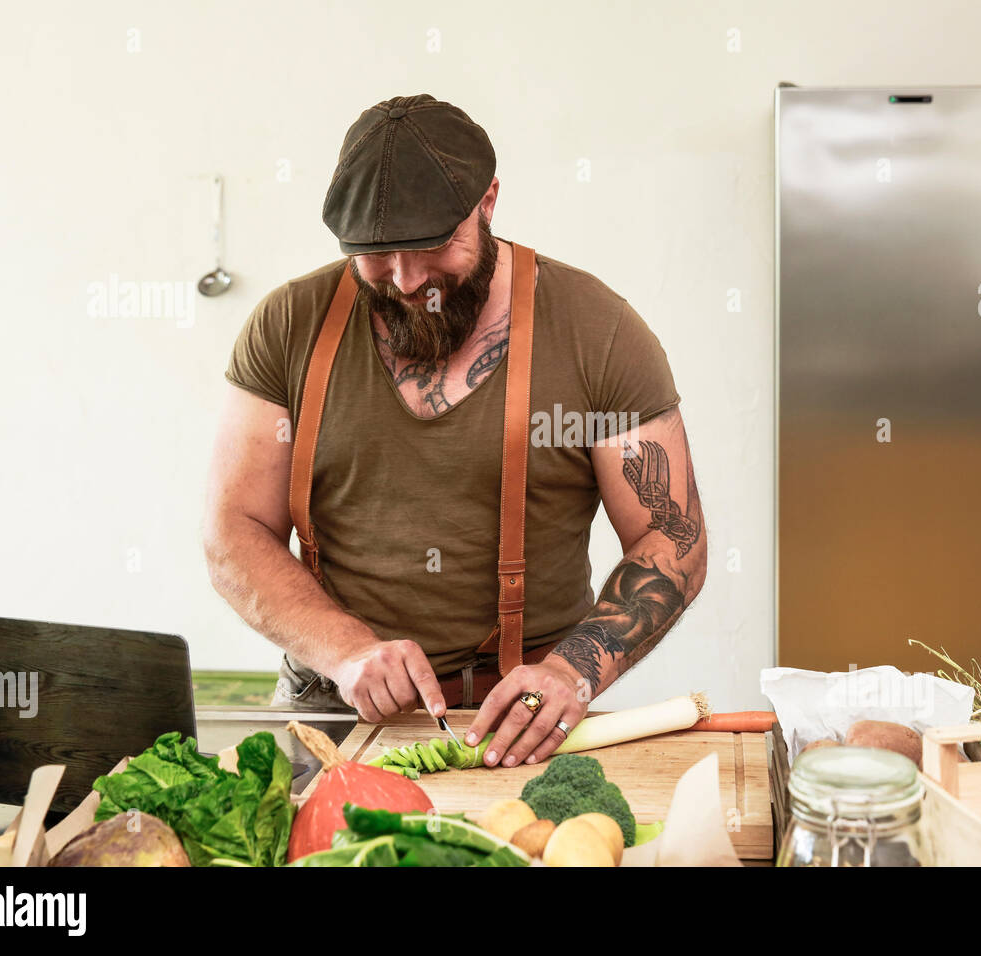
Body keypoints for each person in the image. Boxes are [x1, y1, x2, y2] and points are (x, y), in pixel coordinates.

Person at [204, 94, 706, 768]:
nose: (407, 280)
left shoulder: (598, 332)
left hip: (523, 720)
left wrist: (573, 672)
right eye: (376, 257)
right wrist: (345, 649)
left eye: (432, 246)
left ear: (488, 201)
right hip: (331, 709)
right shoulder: (288, 326)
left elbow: (674, 534)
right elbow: (234, 530)